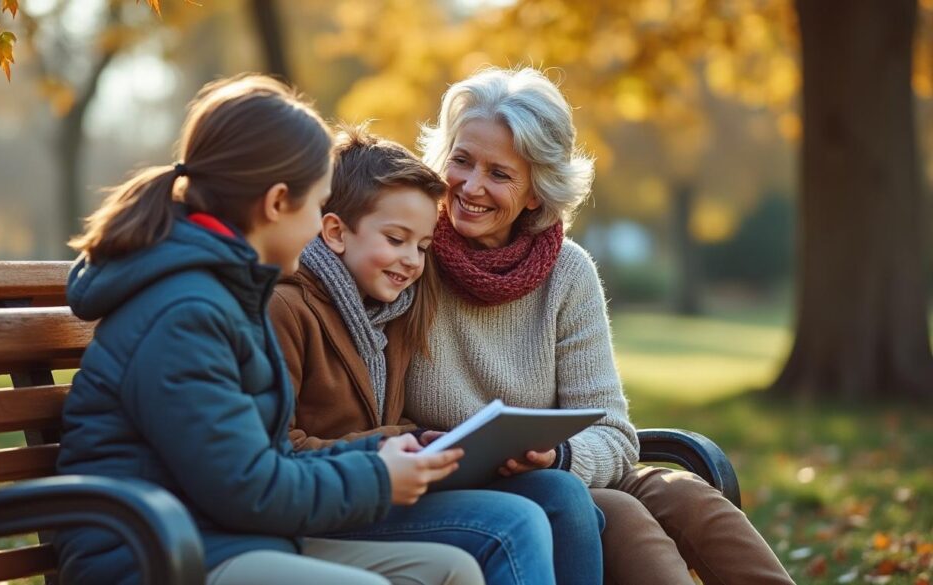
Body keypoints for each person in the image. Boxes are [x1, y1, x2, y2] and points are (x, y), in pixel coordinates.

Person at [55, 74, 485, 585]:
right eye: (317, 205)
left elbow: (260, 458)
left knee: (451, 570)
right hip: (153, 554)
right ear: (277, 203)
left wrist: (381, 452)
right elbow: (246, 487)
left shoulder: (229, 292)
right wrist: (376, 477)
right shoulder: (184, 311)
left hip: (224, 536)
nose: (317, 228)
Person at [404, 66, 796, 585]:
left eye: (499, 174)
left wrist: (558, 454)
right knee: (624, 515)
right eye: (461, 160)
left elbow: (612, 432)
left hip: (559, 473)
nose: (470, 186)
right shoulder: (407, 253)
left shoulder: (568, 271)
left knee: (687, 495)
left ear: (535, 193)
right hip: (460, 488)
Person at [269, 124, 604, 585]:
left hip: (385, 486)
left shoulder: (390, 308)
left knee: (561, 494)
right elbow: (274, 453)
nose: (411, 260)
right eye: (395, 239)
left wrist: (439, 444)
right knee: (516, 524)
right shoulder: (287, 307)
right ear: (335, 232)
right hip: (333, 500)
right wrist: (394, 444)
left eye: (423, 247)